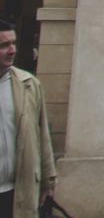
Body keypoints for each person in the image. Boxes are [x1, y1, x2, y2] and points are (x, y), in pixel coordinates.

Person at [0, 19, 56, 218]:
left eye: (13, 43)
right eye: (4, 45)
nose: (12, 50)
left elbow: (42, 136)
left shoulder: (29, 85)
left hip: (19, 190)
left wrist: (49, 179)